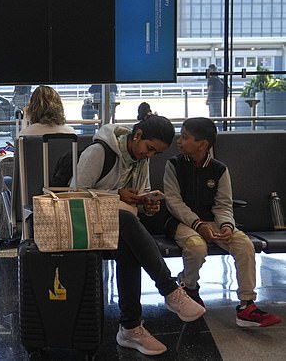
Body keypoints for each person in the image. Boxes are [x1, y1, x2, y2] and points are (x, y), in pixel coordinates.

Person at [76, 106, 205, 356]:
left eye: (156, 153)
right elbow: (76, 195)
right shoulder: (99, 152)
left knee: (129, 239)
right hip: (88, 225)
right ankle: (169, 290)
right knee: (125, 220)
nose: (151, 156)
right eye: (150, 149)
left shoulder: (140, 160)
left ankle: (130, 328)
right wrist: (117, 195)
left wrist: (147, 204)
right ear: (137, 136)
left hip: (123, 227)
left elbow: (138, 196)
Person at [163, 117, 282, 328]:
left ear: (202, 144)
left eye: (184, 137)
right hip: (182, 223)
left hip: (214, 222)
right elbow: (174, 203)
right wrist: (199, 225)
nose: (179, 142)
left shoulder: (219, 170)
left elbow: (223, 204)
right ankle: (189, 287)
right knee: (195, 246)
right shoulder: (174, 165)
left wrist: (227, 225)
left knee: (243, 244)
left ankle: (247, 305)